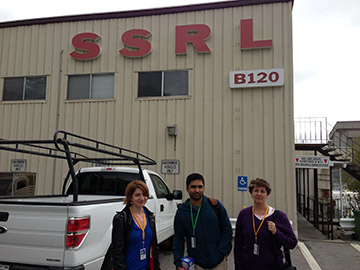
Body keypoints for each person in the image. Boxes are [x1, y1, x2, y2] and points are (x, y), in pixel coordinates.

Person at [234, 178, 298, 270]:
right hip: (247, 266)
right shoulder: (244, 215)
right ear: (251, 194)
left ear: (267, 195)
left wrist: (276, 232)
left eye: (262, 191)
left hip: (272, 266)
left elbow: (292, 243)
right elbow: (238, 245)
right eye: (256, 191)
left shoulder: (279, 216)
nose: (259, 194)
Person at [173, 173, 233, 270]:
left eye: (200, 187)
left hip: (218, 263)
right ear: (187, 189)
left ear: (204, 188)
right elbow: (178, 239)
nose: (197, 190)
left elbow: (227, 230)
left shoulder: (215, 206)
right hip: (196, 264)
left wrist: (221, 252)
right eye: (193, 187)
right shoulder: (182, 212)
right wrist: (178, 263)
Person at [111, 180, 160, 270]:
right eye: (137, 195)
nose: (142, 198)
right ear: (130, 197)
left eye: (144, 194)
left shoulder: (150, 217)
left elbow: (154, 248)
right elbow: (117, 251)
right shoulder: (121, 219)